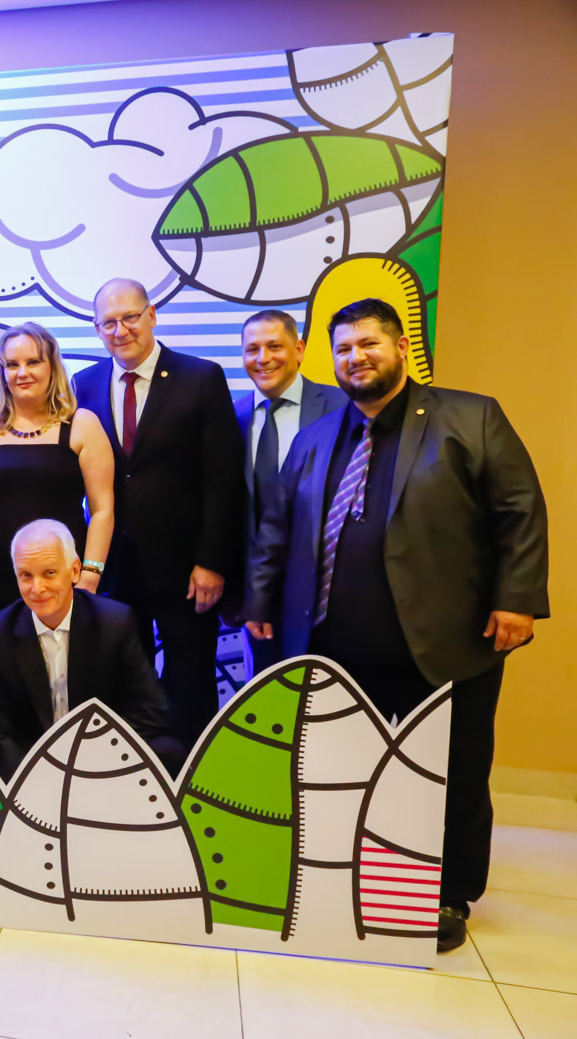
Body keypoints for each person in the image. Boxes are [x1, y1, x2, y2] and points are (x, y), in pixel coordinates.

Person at [245, 297, 548, 953]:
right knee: (337, 768)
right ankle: (344, 874)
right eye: (344, 348)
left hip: (443, 643)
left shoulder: (469, 418)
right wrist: (259, 602)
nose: (356, 358)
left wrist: (517, 598)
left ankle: (446, 892)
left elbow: (519, 510)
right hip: (333, 645)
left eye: (368, 344)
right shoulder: (315, 436)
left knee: (451, 773)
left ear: (402, 348)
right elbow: (276, 527)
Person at [71, 278, 243, 747]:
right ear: (96, 329)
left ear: (151, 315)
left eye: (130, 317)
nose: (120, 330)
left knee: (191, 683)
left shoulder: (201, 377)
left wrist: (211, 562)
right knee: (123, 683)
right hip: (114, 570)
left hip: (187, 571)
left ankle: (193, 772)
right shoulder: (83, 384)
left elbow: (223, 479)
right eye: (108, 322)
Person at [0, 520, 180, 782]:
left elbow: (151, 710)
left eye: (49, 573)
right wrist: (37, 781)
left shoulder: (114, 622)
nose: (37, 588)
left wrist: (90, 768)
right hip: (33, 765)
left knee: (168, 750)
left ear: (74, 571)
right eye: (26, 575)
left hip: (103, 756)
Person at [0, 321, 114, 656]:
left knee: (67, 671)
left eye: (33, 362)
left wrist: (90, 575)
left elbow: (103, 510)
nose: (23, 373)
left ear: (52, 366)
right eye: (12, 364)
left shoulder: (82, 425)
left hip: (62, 577)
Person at [229, 309, 345, 674]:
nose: (263, 358)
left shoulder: (342, 407)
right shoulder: (231, 417)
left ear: (299, 349)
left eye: (275, 346)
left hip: (329, 592)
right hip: (256, 596)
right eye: (252, 349)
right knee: (268, 693)